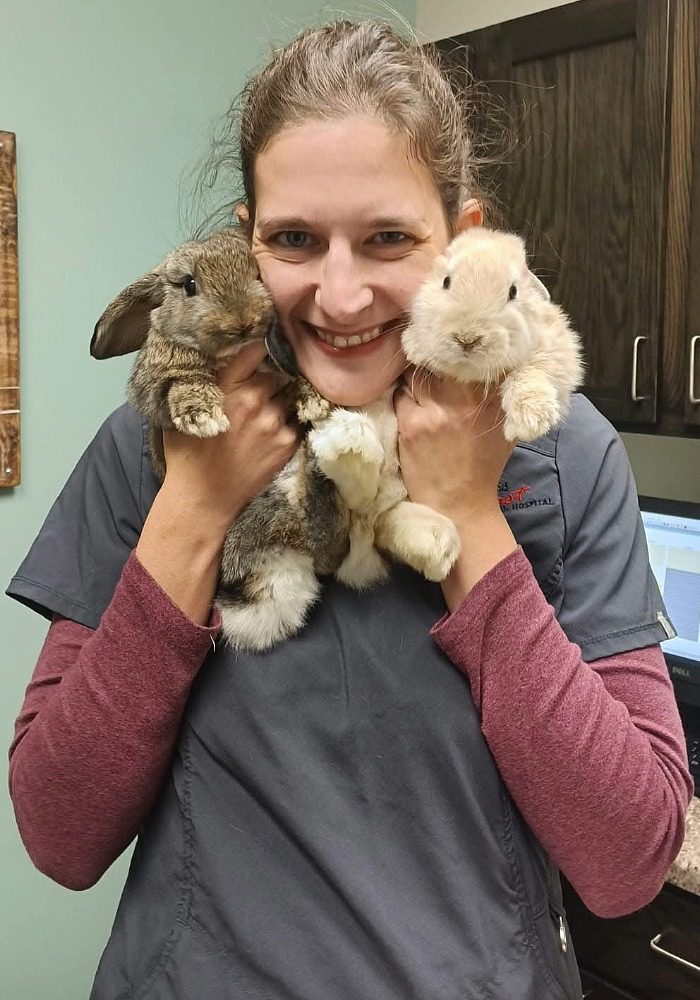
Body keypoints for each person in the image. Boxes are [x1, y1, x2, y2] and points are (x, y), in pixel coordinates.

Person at [7, 19, 693, 1000]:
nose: (338, 295)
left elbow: (628, 859)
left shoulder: (564, 454)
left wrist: (473, 523)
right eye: (294, 239)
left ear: (462, 236)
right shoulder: (155, 446)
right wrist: (196, 508)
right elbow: (59, 832)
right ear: (246, 237)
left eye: (387, 239)